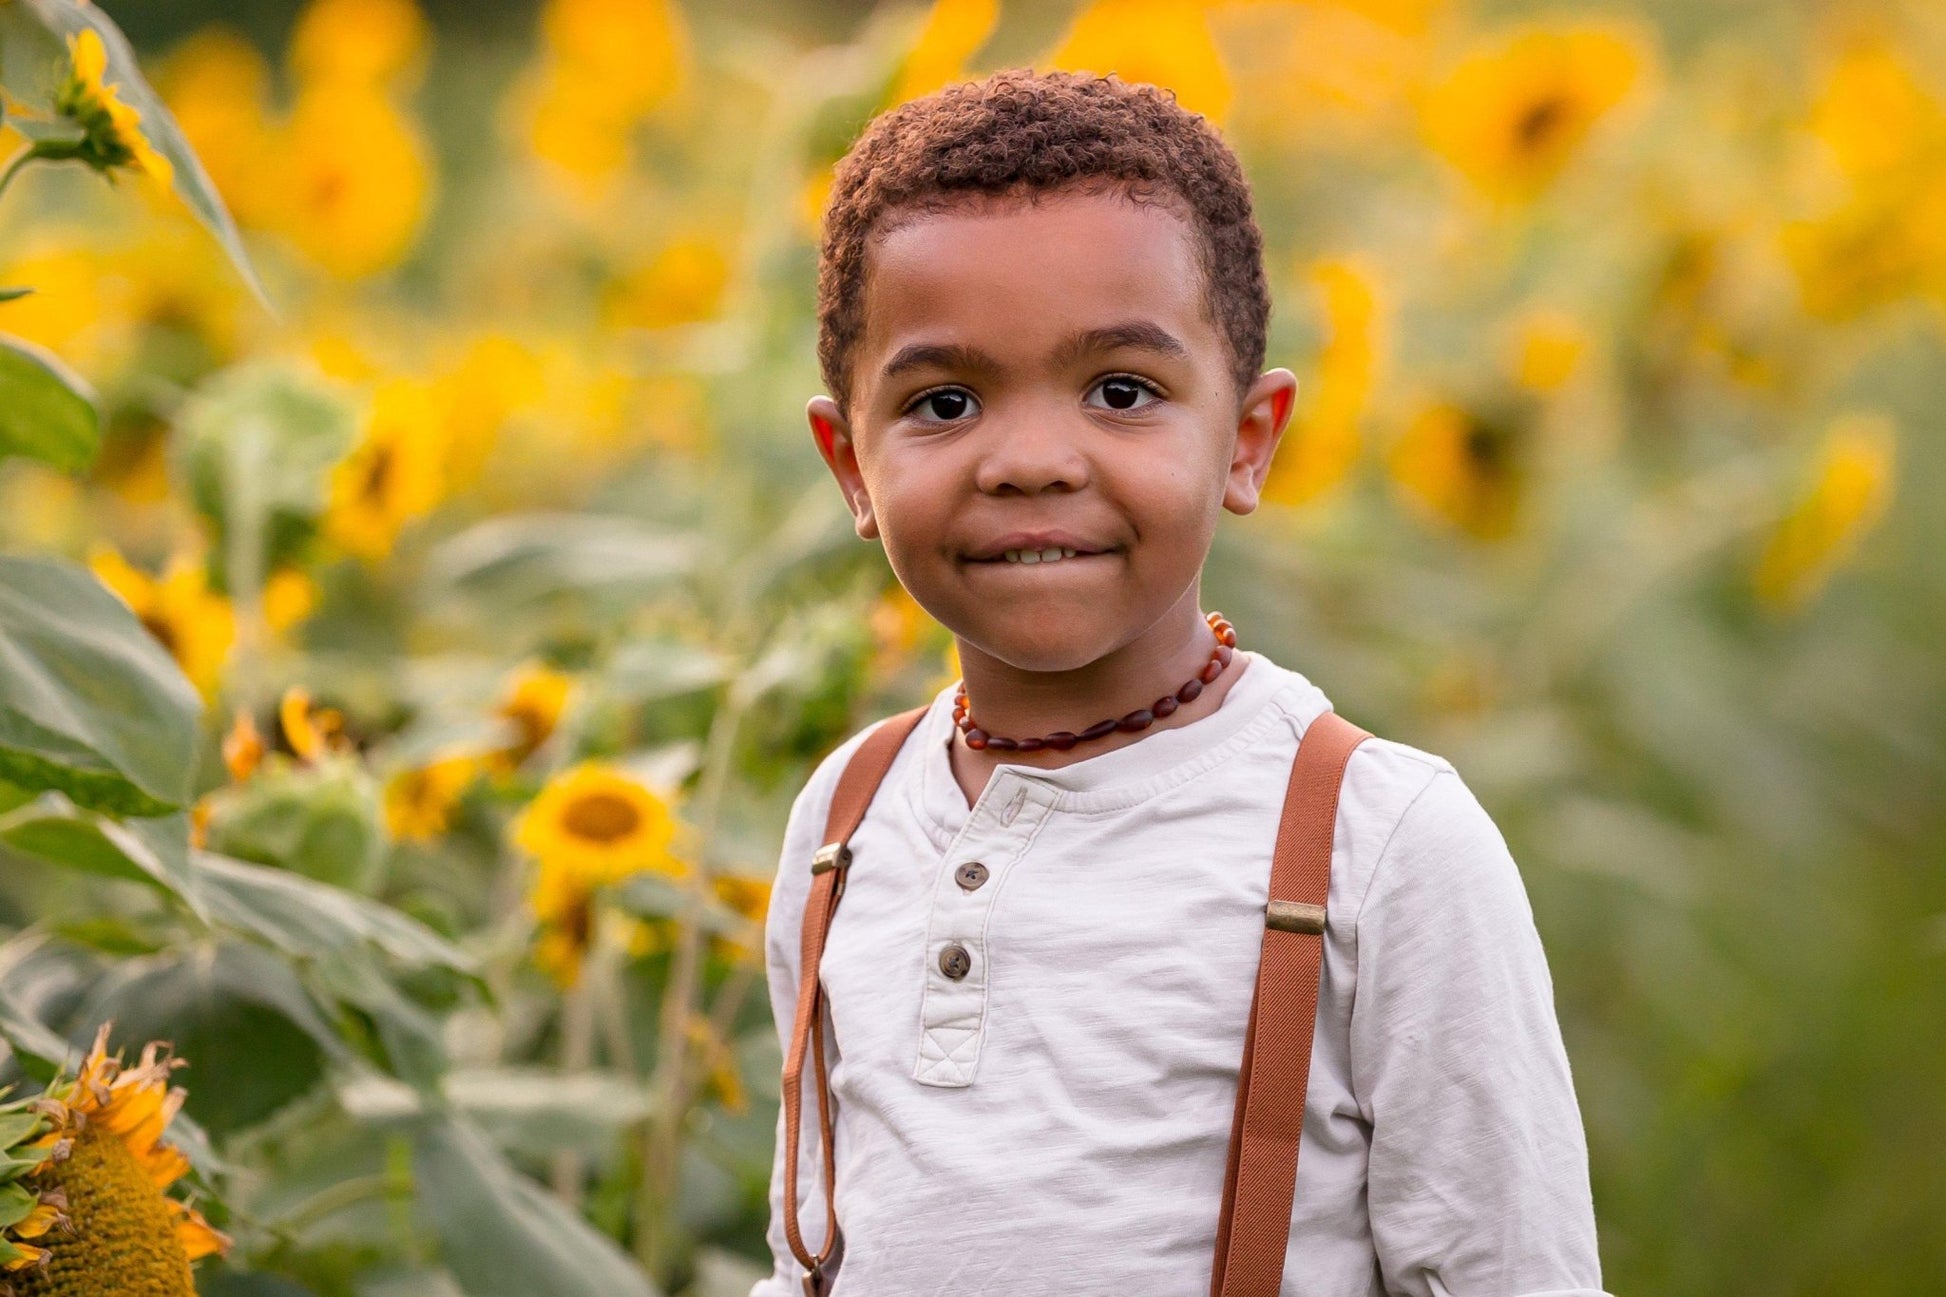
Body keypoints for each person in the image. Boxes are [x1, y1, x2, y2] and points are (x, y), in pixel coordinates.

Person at [751, 69, 1607, 1297]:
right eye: (944, 402)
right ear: (850, 463)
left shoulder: (1376, 845)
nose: (1033, 461)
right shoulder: (845, 821)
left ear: (1246, 441)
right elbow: (811, 1256)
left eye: (1120, 392)